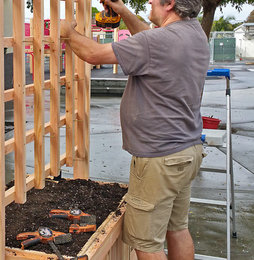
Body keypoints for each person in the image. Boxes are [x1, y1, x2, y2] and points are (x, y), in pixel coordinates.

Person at [60, 0, 210, 259]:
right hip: (186, 152)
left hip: (159, 161)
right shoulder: (194, 32)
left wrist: (68, 32)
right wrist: (123, 10)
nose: (149, 1)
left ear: (170, 3)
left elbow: (94, 54)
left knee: (146, 243)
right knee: (177, 229)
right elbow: (150, 38)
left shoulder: (159, 42)